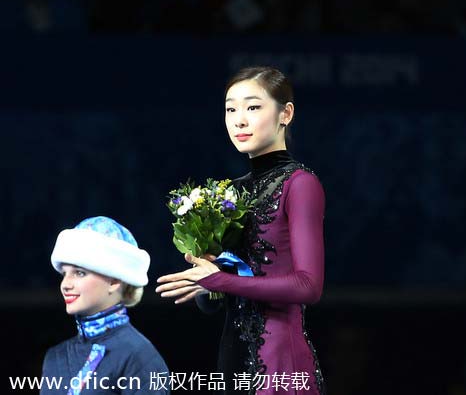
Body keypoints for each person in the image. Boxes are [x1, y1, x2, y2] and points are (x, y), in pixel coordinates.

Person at [156, 66, 326, 395]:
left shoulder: (300, 184)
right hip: (233, 357)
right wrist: (206, 283)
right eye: (231, 109)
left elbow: (308, 286)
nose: (239, 120)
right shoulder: (229, 194)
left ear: (286, 114)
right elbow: (217, 300)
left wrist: (218, 280)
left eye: (253, 107)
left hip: (278, 361)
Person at [42, 216, 169, 394]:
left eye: (79, 273)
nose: (65, 284)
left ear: (114, 280)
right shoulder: (55, 357)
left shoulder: (140, 357)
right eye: (65, 274)